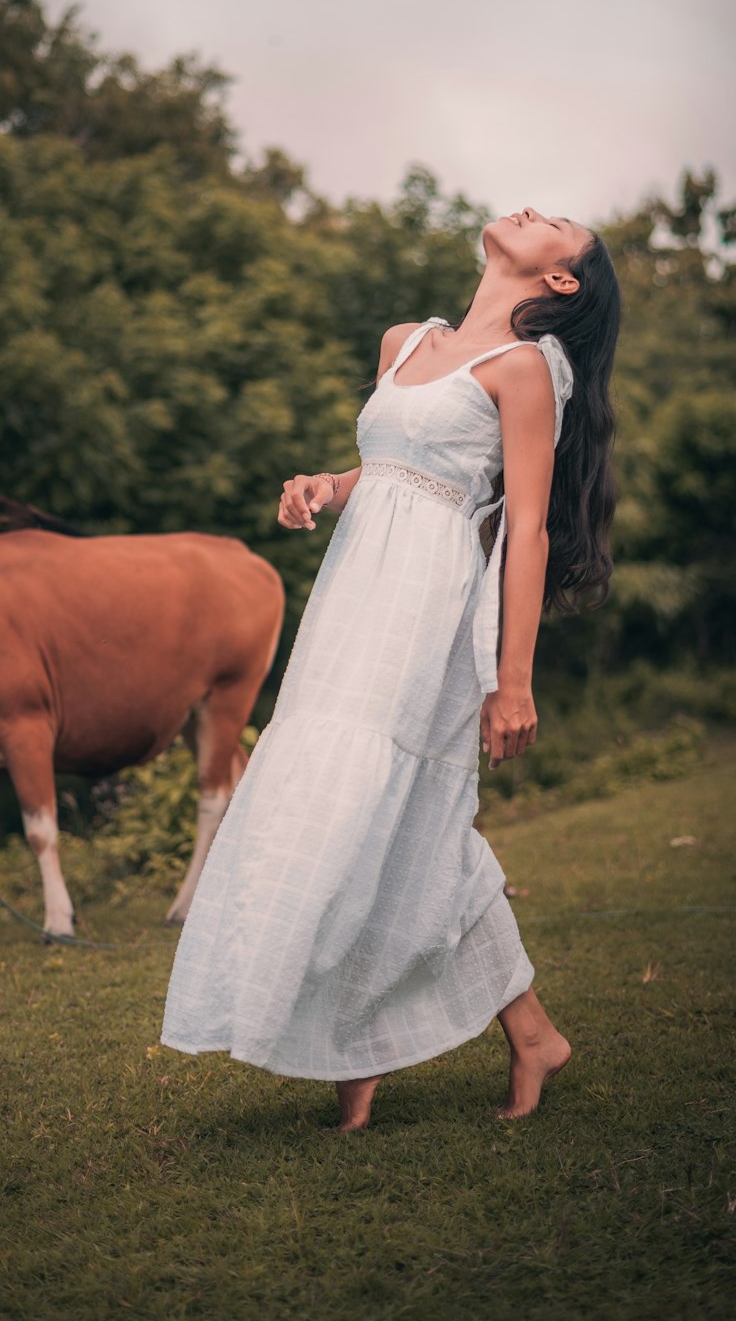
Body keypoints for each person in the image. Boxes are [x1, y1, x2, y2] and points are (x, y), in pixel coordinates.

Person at [160, 206, 622, 1131]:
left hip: (428, 606)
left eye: (557, 222)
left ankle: (369, 1051)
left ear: (560, 280)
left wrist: (513, 678)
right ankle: (498, 1036)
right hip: (351, 599)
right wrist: (329, 486)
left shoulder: (525, 371)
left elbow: (523, 527)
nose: (531, 208)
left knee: (387, 804)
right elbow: (396, 467)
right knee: (378, 808)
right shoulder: (406, 342)